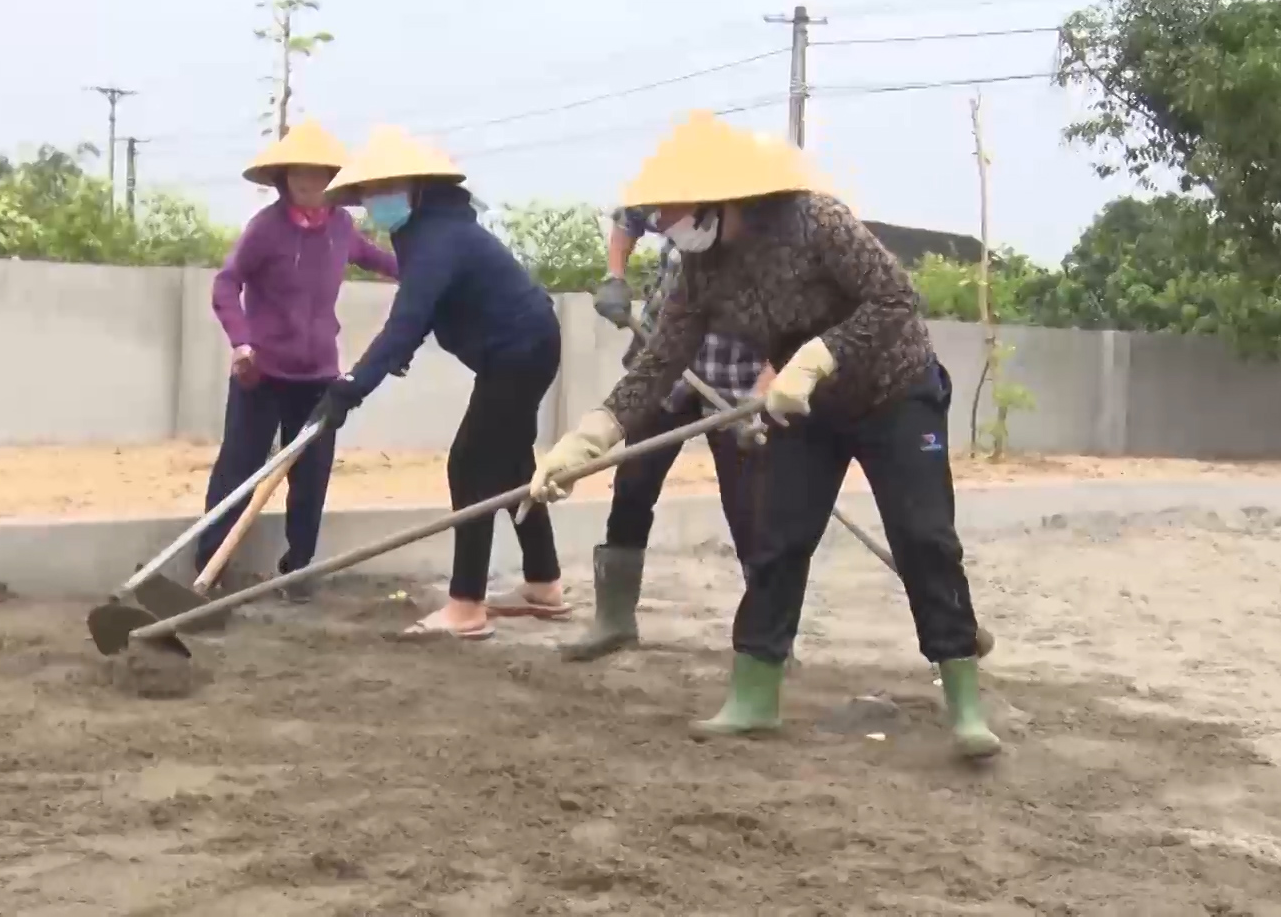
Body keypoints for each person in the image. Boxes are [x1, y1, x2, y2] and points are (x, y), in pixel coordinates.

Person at [527, 111, 1001, 760]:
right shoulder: (702, 272)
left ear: (717, 196)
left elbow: (894, 301)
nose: (662, 223)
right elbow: (659, 363)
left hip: (895, 392)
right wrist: (587, 440)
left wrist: (817, 357)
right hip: (808, 411)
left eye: (670, 208)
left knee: (924, 537)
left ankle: (965, 704)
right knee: (776, 539)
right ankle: (754, 694)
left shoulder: (817, 221)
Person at [307, 126, 567, 640]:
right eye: (366, 194)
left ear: (417, 186)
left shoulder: (438, 235)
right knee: (513, 465)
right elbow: (427, 312)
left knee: (470, 464)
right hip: (523, 347)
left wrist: (350, 386)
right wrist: (384, 363)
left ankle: (466, 605)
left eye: (384, 189)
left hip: (518, 352)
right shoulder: (425, 231)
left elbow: (407, 317)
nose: (372, 203)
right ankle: (544, 584)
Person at [199, 120, 399, 603]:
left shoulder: (342, 227)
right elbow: (227, 284)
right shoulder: (265, 230)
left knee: (310, 478)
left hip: (318, 378)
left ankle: (297, 571)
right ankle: (208, 569)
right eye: (299, 177)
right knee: (239, 471)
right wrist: (242, 343)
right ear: (284, 179)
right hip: (262, 375)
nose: (309, 186)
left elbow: (376, 259)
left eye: (319, 177)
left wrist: (428, 268)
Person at [566, 208, 775, 661]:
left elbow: (800, 328)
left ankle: (766, 638)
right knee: (632, 488)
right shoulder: (668, 187)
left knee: (750, 509)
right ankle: (615, 620)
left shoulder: (765, 226)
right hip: (665, 370)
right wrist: (614, 275)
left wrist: (764, 394)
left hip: (737, 381)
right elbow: (627, 219)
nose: (668, 219)